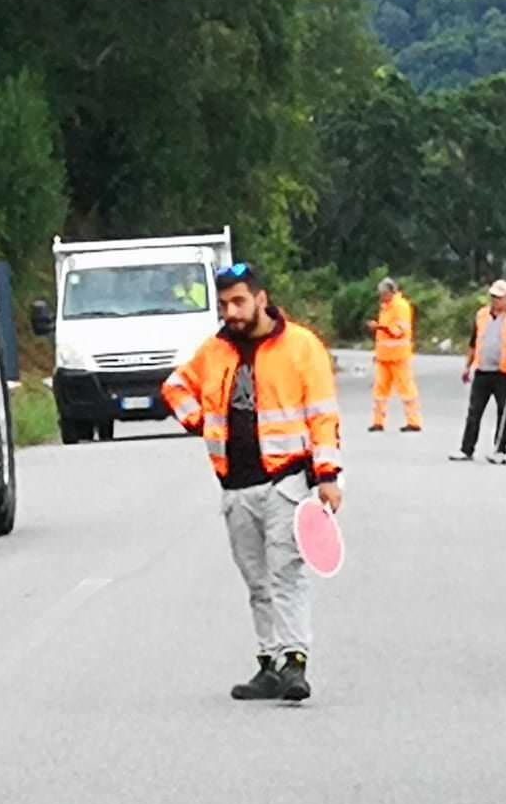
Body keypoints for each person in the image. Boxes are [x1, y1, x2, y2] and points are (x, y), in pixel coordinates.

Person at [161, 262, 343, 703]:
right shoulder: (215, 350)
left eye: (239, 301)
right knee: (257, 581)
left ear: (261, 299)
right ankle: (268, 663)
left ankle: (294, 663)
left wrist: (328, 476)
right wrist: (199, 422)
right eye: (224, 304)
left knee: (287, 573)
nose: (231, 312)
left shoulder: (301, 347)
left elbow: (323, 414)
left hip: (286, 482)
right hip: (235, 486)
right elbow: (174, 387)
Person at [451, 279, 506, 464]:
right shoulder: (481, 315)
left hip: (504, 372)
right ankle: (466, 449)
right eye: (493, 297)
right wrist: (467, 367)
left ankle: (500, 450)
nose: (495, 301)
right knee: (474, 411)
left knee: (503, 412)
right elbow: (473, 342)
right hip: (482, 370)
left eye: (499, 297)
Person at [366, 277, 422, 433]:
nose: (381, 297)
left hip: (399, 356)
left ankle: (413, 422)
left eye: (383, 293)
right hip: (384, 357)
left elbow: (399, 331)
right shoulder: (385, 307)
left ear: (391, 292)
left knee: (406, 389)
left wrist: (379, 327)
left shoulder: (401, 306)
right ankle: (378, 422)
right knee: (380, 391)